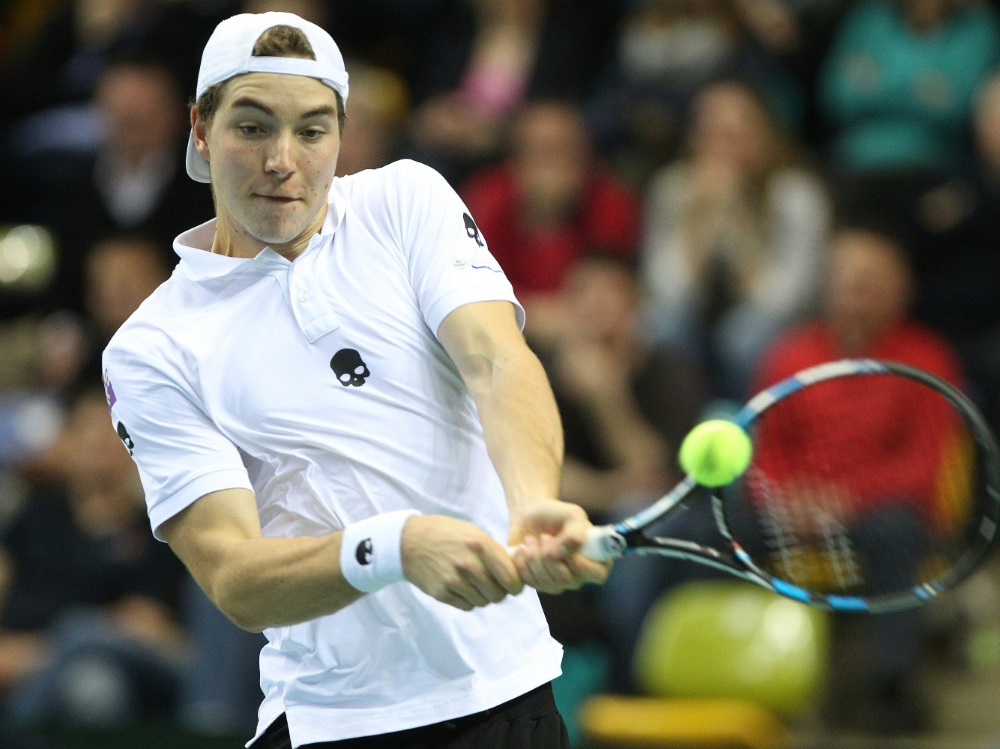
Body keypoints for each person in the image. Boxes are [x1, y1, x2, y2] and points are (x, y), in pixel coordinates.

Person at [101, 11, 609, 749]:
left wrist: (533, 502)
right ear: (201, 131)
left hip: (511, 700)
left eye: (313, 130)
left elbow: (496, 360)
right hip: (334, 723)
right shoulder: (151, 347)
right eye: (253, 127)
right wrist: (394, 546)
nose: (284, 159)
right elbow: (233, 572)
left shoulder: (407, 200)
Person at [750, 224, 965, 733]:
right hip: (793, 512)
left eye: (873, 285)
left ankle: (893, 687)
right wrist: (787, 498)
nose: (859, 297)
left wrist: (848, 500)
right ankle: (733, 677)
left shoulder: (926, 358)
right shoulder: (789, 354)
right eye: (850, 283)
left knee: (897, 529)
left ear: (902, 292)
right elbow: (763, 449)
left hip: (876, 516)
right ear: (826, 286)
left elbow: (926, 463)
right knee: (723, 515)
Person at [0, 387, 188, 726]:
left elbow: (148, 630)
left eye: (112, 432)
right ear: (66, 442)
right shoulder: (34, 517)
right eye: (87, 431)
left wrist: (50, 648)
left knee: (94, 682)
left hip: (113, 669)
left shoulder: (158, 530)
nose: (99, 445)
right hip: (21, 671)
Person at [641, 77, 831, 399]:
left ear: (765, 134)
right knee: (661, 326)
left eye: (734, 135)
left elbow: (784, 301)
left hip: (765, 324)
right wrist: (699, 223)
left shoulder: (795, 195)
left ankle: (750, 428)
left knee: (743, 338)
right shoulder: (673, 189)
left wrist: (742, 227)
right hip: (696, 323)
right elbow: (670, 294)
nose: (723, 149)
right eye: (711, 135)